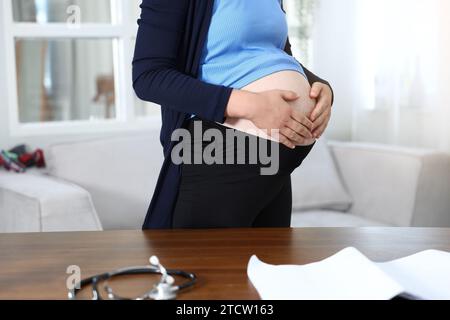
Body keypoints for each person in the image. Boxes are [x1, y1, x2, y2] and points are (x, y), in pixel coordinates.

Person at [133, 0, 334, 229]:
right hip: (215, 149)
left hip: (274, 164)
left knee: (269, 264)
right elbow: (148, 78)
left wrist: (320, 86)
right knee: (207, 263)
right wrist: (252, 106)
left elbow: (269, 55)